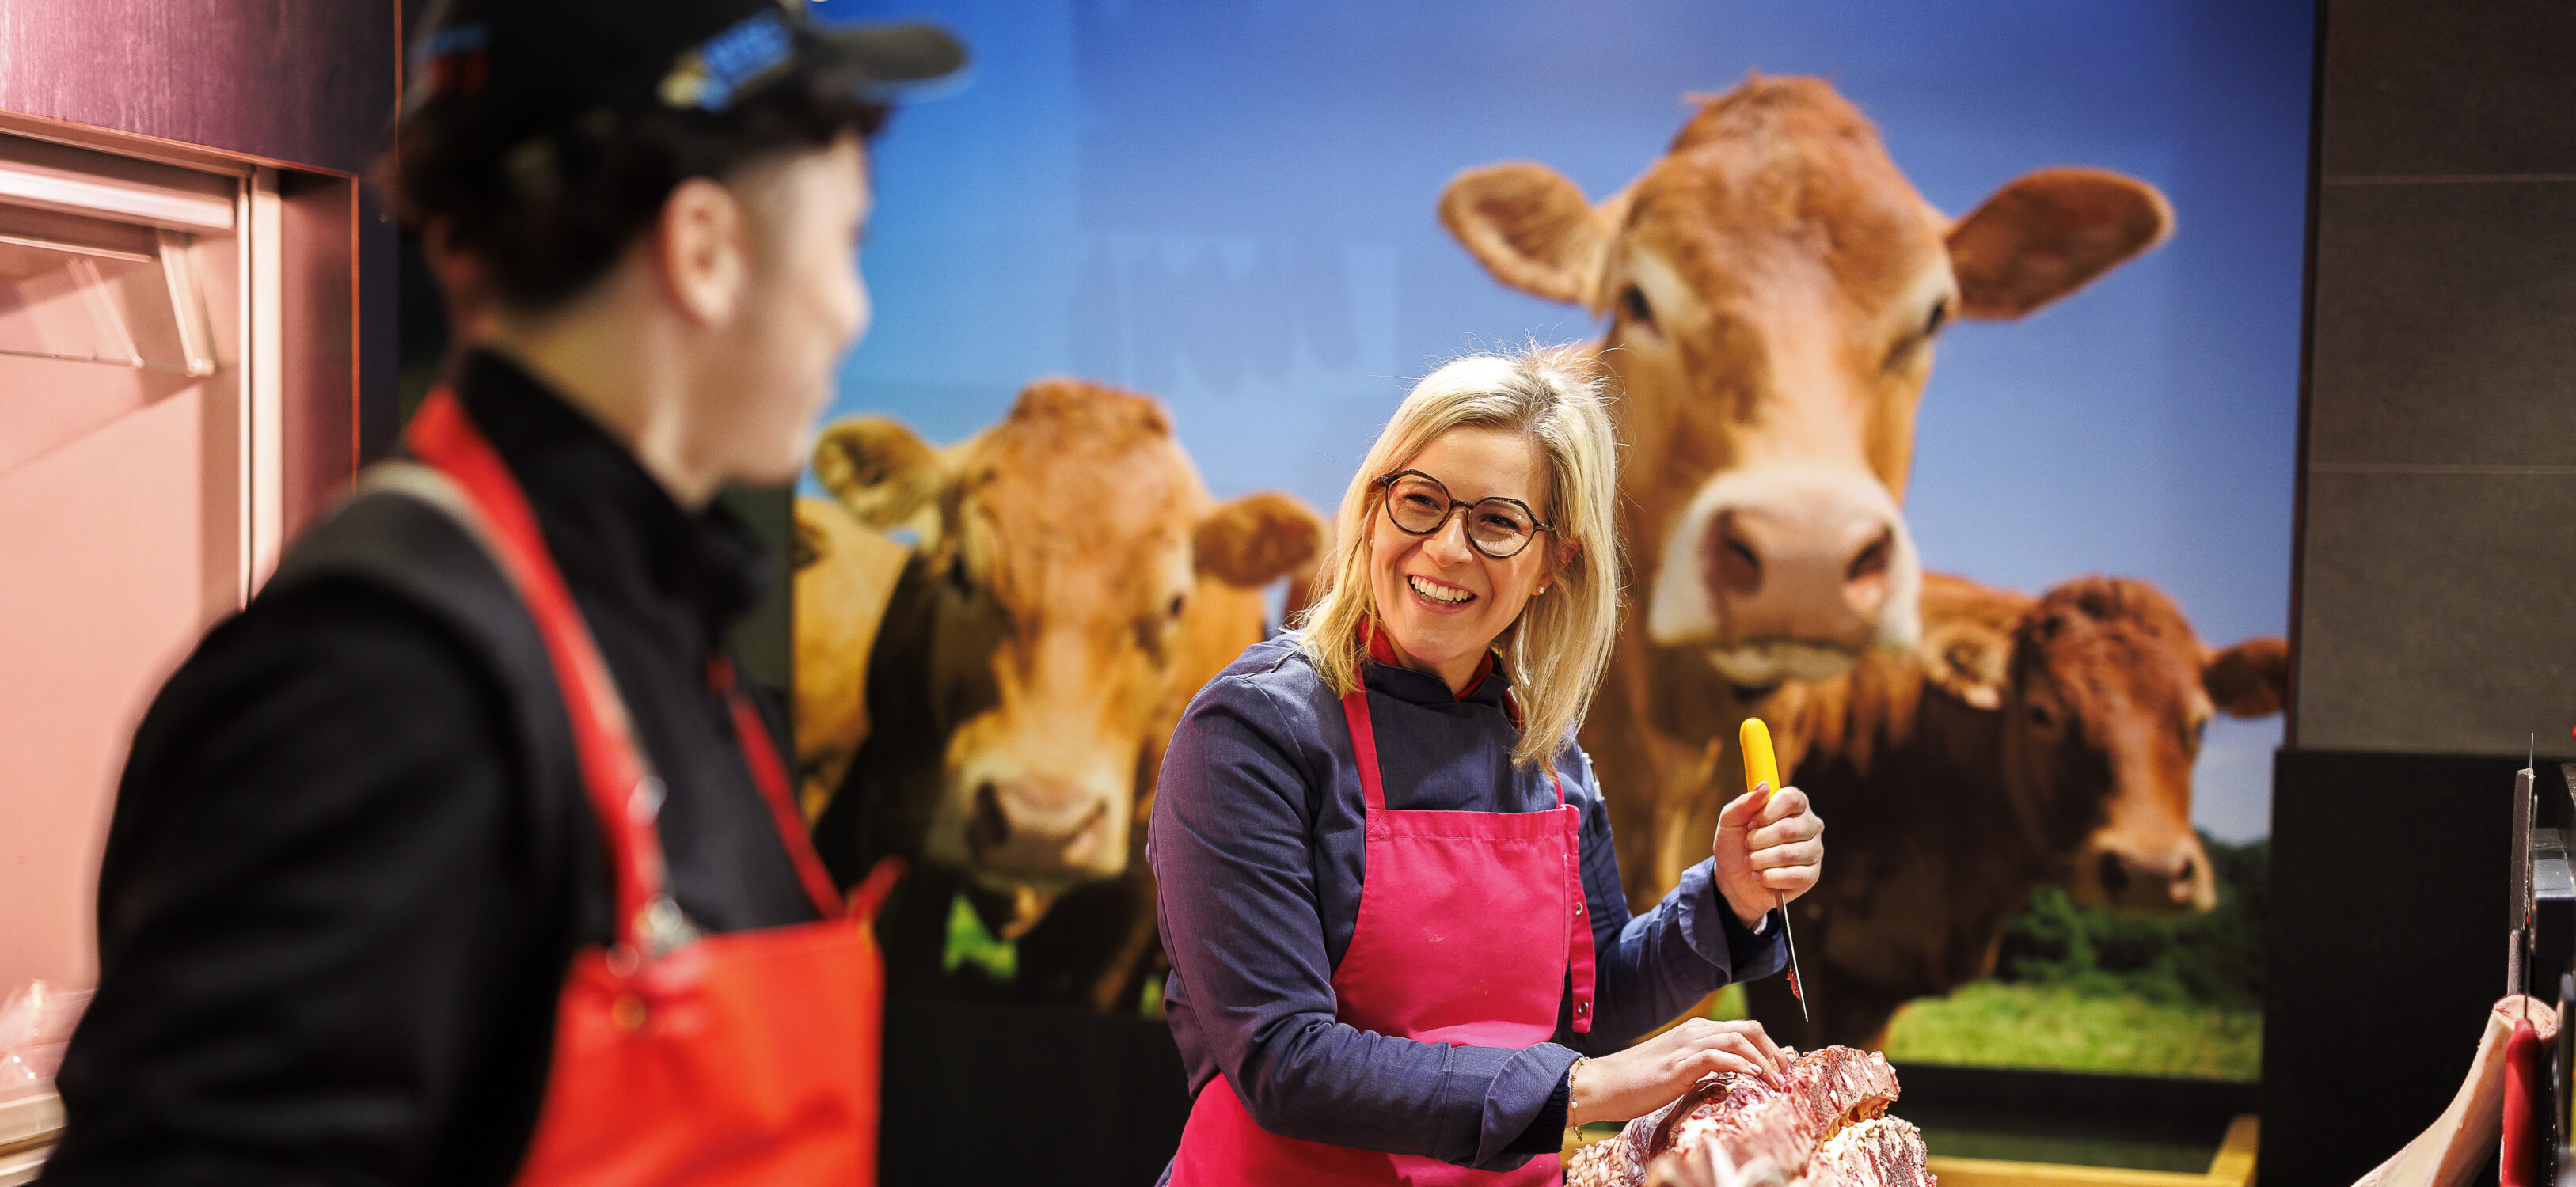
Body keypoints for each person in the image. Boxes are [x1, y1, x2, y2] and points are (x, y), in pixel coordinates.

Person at [39, 3, 961, 1184]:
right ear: (703, 249)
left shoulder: (654, 622)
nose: (853, 309)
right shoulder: (383, 679)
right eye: (847, 246)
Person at [1149, 348, 1828, 1183]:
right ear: (1371, 510)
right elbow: (1283, 1059)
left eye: (1497, 523)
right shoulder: (1252, 733)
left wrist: (1727, 903)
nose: (1445, 549)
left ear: (1555, 562)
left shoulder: (1543, 748)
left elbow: (1585, 1007)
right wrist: (1587, 1087)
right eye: (1419, 503)